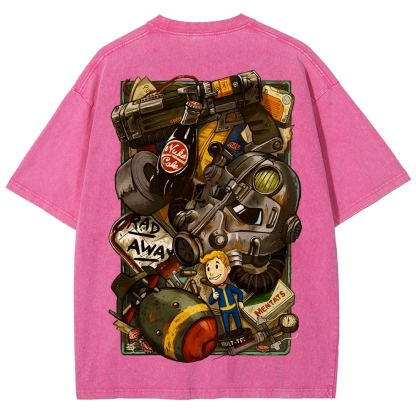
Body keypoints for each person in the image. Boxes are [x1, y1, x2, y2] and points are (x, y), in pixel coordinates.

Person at [200, 251, 245, 338]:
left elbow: (239, 292)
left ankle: (240, 329)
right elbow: (211, 301)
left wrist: (240, 301)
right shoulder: (216, 290)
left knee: (237, 318)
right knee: (226, 321)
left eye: (216, 266)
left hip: (233, 307)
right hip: (224, 310)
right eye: (208, 269)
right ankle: (227, 333)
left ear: (227, 269)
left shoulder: (229, 287)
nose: (212, 273)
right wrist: (213, 297)